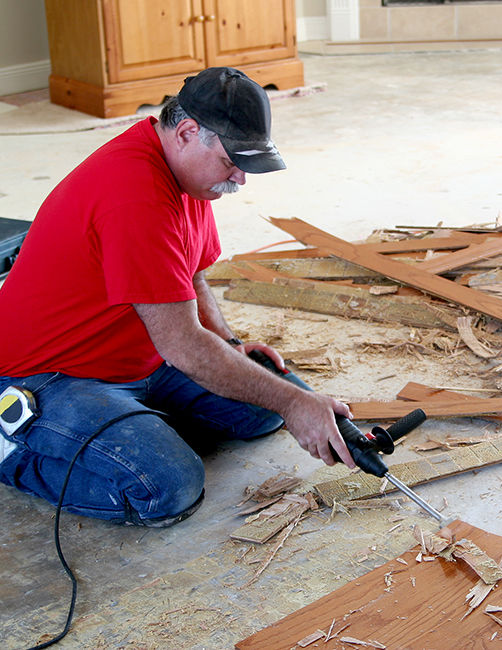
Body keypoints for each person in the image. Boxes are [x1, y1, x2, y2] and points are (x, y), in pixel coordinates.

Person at [0, 67, 355, 527]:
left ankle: (129, 422)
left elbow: (193, 275)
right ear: (189, 132)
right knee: (167, 486)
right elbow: (183, 343)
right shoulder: (134, 193)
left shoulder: (188, 176)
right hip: (51, 373)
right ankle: (14, 445)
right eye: (233, 162)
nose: (240, 179)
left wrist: (229, 346)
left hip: (142, 356)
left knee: (263, 408)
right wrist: (291, 404)